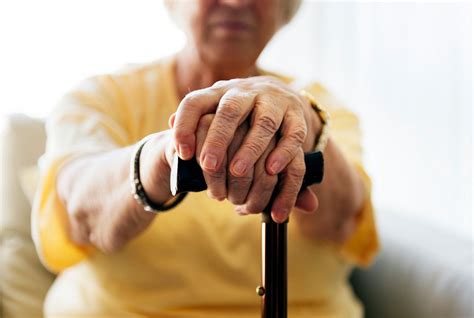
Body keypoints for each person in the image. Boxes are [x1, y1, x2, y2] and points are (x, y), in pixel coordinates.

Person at [32, 0, 379, 317]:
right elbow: (81, 214)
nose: (236, 2)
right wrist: (164, 156)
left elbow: (341, 223)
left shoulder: (324, 106)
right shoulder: (101, 97)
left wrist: (305, 119)